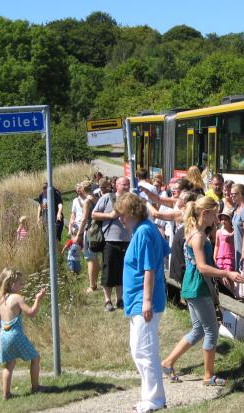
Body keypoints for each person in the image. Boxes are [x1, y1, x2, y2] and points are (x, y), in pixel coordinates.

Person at [162, 197, 243, 386]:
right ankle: (208, 376)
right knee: (211, 331)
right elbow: (202, 267)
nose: (216, 219)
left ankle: (168, 362)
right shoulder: (198, 236)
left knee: (199, 329)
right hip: (198, 287)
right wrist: (227, 273)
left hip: (191, 286)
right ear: (204, 213)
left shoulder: (192, 231)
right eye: (214, 214)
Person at [118, 192, 170, 413]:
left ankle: (155, 400)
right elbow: (164, 251)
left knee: (145, 351)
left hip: (144, 301)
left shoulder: (144, 233)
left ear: (131, 213)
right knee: (139, 349)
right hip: (138, 300)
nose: (120, 219)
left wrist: (146, 301)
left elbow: (149, 268)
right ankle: (148, 397)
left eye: (122, 215)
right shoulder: (146, 229)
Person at [0, 268, 46, 400]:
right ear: (11, 284)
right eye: (20, 283)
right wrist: (38, 299)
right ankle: (35, 387)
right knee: (35, 358)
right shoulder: (17, 298)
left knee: (9, 364)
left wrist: (5, 328)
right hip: (16, 334)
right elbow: (31, 313)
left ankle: (6, 394)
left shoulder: (0, 300)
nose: (22, 285)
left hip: (3, 335)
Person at [92, 176, 131, 312]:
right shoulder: (107, 197)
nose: (126, 187)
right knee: (108, 271)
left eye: (128, 184)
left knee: (122, 271)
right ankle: (107, 300)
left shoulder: (131, 199)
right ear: (116, 185)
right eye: (124, 184)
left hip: (127, 240)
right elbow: (94, 214)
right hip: (110, 240)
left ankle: (120, 299)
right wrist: (110, 216)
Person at [76, 181, 100, 293]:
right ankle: (95, 282)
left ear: (82, 189)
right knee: (95, 258)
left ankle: (92, 285)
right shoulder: (95, 198)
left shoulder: (87, 201)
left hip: (89, 230)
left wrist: (79, 234)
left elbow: (84, 218)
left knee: (90, 258)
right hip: (97, 229)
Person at [213, 206, 235, 272]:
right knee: (220, 272)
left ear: (230, 220)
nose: (223, 221)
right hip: (220, 257)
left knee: (229, 271)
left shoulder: (233, 232)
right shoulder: (219, 232)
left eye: (226, 219)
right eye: (222, 219)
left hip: (230, 256)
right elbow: (217, 245)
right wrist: (215, 256)